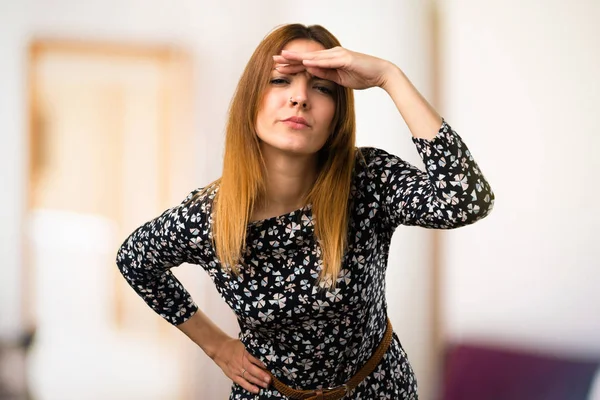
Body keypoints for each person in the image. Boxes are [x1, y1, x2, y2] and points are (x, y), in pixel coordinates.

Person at [116, 23, 494, 399]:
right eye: (281, 81)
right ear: (252, 99)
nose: (300, 98)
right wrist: (216, 344)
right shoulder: (208, 216)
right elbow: (135, 259)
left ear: (337, 115)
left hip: (380, 390)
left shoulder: (368, 180)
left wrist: (388, 76)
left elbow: (466, 201)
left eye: (322, 87)